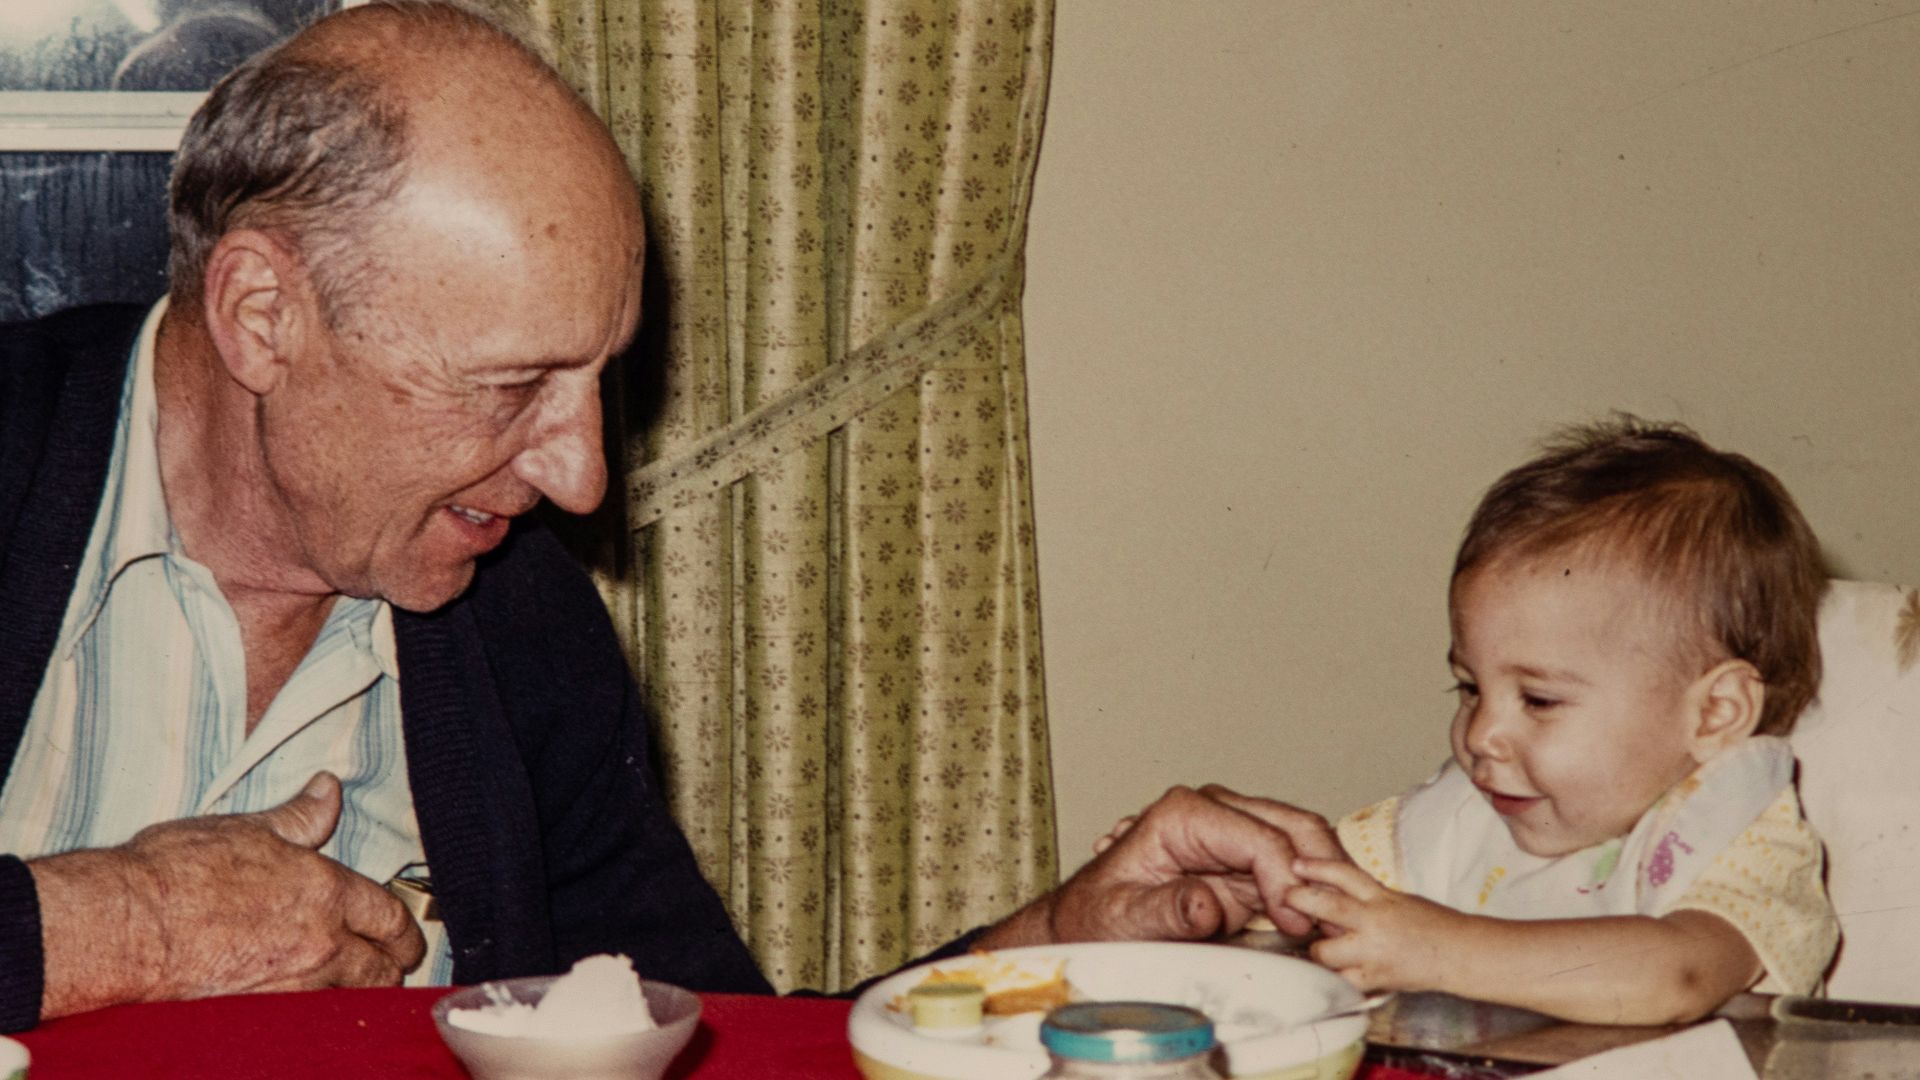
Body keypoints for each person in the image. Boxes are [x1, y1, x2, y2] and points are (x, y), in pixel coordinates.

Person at [0, 0, 1338, 1033]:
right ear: (262, 317)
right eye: (514, 385)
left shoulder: (507, 608)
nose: (582, 481)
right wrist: (115, 935)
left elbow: (700, 1042)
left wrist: (1053, 948)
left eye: (598, 381)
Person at [1278, 417, 1839, 1024]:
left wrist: (1443, 950)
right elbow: (1312, 900)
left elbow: (1677, 978)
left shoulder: (1742, 839)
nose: (1478, 735)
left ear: (1714, 712)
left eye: (1538, 700)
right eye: (1469, 688)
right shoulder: (1465, 818)